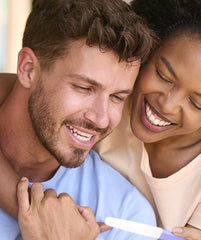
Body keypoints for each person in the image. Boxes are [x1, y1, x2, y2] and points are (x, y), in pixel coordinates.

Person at [0, 0, 201, 239]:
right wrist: (35, 213)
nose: (167, 105)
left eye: (197, 103)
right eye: (163, 75)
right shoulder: (120, 85)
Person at [0, 0, 157, 239]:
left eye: (117, 97)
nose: (102, 119)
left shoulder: (126, 217)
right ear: (28, 69)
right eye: (84, 88)